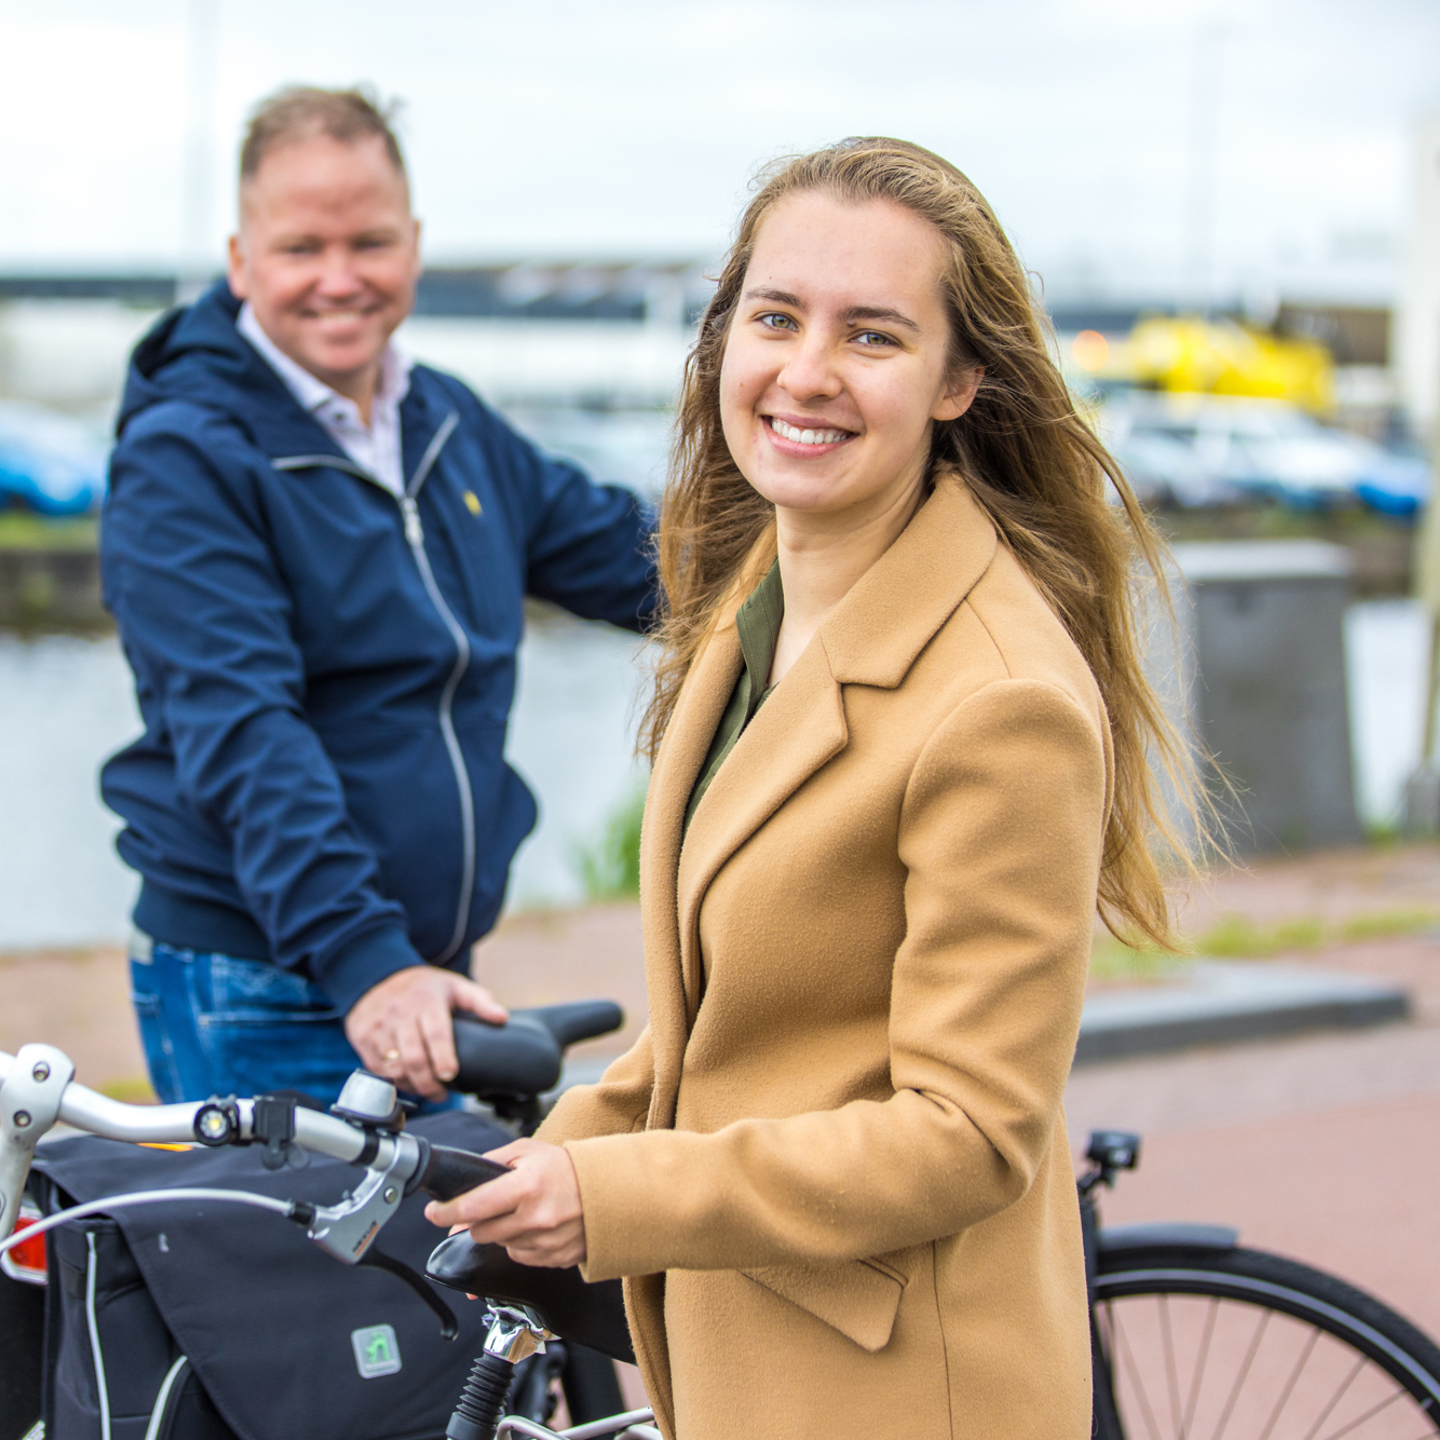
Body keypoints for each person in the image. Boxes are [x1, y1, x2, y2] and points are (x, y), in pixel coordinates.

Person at [426, 137, 1200, 1439]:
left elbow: (964, 1133)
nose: (804, 371)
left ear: (962, 379)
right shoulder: (765, 601)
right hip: (758, 1353)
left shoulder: (1000, 698)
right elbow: (739, 1025)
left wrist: (617, 1197)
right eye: (775, 316)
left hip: (895, 1388)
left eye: (872, 335)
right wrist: (558, 1145)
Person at [101, 87, 656, 1108]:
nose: (340, 279)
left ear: (415, 244)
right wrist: (367, 957)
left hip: (419, 967)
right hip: (279, 976)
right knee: (307, 1272)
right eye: (302, 247)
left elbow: (635, 559)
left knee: (433, 1264)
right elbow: (241, 728)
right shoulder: (186, 455)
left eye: (370, 242)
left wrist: (823, 542)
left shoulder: (446, 419)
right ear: (239, 259)